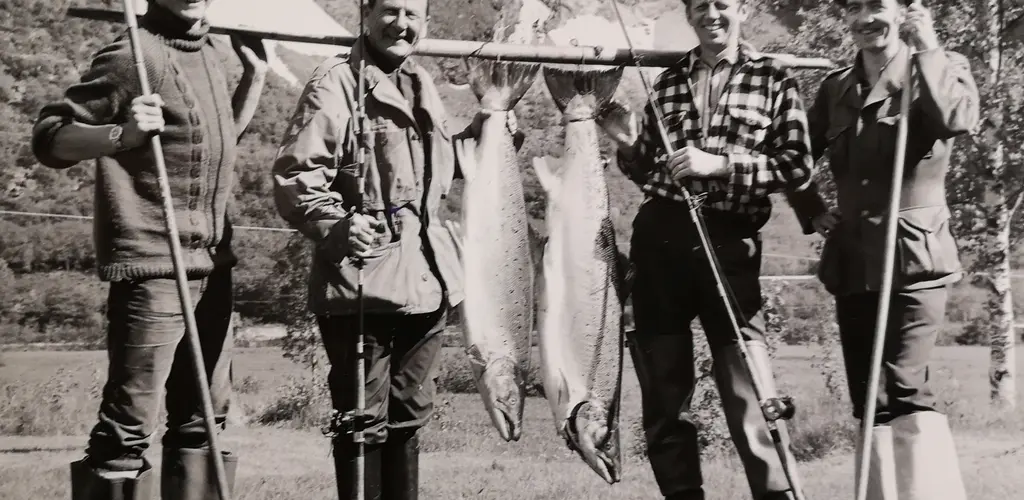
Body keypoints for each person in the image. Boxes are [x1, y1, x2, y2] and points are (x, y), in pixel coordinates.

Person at [270, 1, 516, 499]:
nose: (401, 23)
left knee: (408, 419)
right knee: (361, 422)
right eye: (389, 10)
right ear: (365, 12)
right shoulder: (335, 82)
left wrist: (489, 136)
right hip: (364, 282)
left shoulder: (420, 81)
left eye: (412, 12)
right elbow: (296, 175)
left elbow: (440, 170)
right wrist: (336, 225)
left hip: (430, 284)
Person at [30, 0, 268, 498]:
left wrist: (255, 78)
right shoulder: (134, 54)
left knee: (203, 420)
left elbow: (213, 142)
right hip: (155, 268)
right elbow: (49, 139)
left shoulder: (209, 53)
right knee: (127, 431)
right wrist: (121, 133)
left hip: (212, 265)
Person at [596, 0, 816, 498]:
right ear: (688, 14)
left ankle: (778, 492)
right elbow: (648, 169)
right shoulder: (669, 80)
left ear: (742, 8)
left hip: (731, 240)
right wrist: (630, 146)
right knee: (664, 391)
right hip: (661, 240)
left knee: (750, 387)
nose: (711, 14)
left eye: (722, 4)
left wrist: (719, 166)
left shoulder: (775, 78)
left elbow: (798, 167)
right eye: (700, 6)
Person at [786, 1, 980, 499]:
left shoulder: (939, 65)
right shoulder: (835, 88)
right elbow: (793, 154)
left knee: (905, 383)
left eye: (880, 6)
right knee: (867, 395)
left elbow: (958, 118)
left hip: (917, 257)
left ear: (904, 13)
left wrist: (929, 46)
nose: (868, 18)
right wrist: (811, 207)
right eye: (857, 8)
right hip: (854, 261)